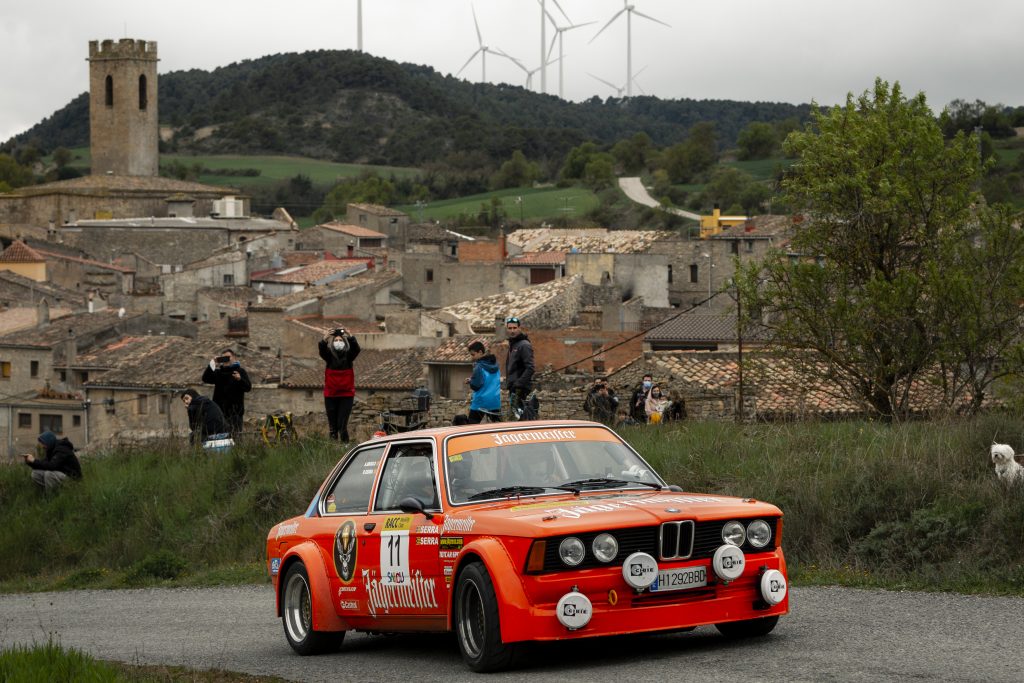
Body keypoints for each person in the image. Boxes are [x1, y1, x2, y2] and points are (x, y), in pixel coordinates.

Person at [319, 327, 361, 442]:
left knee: (342, 425)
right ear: (332, 343)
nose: (338, 342)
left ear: (345, 342)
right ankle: (332, 447)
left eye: (341, 340)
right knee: (332, 427)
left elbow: (356, 349)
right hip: (330, 395)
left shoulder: (349, 357)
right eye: (336, 340)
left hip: (346, 396)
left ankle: (345, 446)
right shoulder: (329, 357)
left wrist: (350, 335)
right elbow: (322, 350)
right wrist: (325, 338)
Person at [201, 348, 252, 436]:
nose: (226, 359)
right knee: (221, 438)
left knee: (236, 438)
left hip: (235, 414)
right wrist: (213, 363)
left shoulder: (240, 371)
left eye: (228, 357)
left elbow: (248, 387)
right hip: (220, 413)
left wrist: (240, 379)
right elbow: (205, 378)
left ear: (234, 357)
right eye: (224, 358)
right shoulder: (218, 373)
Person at [504, 316, 535, 420]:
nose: (512, 331)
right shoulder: (513, 344)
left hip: (520, 389)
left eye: (514, 328)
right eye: (510, 328)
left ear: (519, 328)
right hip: (514, 388)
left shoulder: (524, 345)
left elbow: (530, 368)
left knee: (519, 419)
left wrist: (518, 384)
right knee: (517, 418)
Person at [465, 340, 501, 423]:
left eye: (473, 354)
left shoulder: (479, 367)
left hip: (480, 402)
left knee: (471, 428)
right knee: (497, 428)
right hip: (494, 401)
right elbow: (488, 381)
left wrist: (471, 381)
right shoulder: (496, 365)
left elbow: (476, 386)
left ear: (480, 352)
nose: (472, 357)